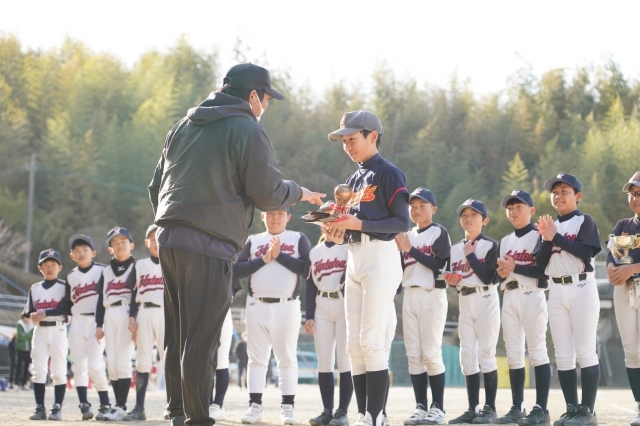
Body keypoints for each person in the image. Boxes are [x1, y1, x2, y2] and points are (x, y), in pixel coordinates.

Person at [149, 62, 324, 426]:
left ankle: (177, 410)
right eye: (267, 98)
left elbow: (156, 187)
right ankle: (197, 418)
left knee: (178, 330)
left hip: (168, 238)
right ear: (252, 96)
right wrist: (299, 192)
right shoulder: (247, 128)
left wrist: (174, 223)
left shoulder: (181, 126)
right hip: (209, 242)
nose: (266, 106)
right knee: (203, 336)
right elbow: (268, 194)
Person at [323, 110, 410, 426]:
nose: (347, 146)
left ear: (373, 136)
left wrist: (356, 224)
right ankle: (364, 414)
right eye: (344, 141)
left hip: (381, 256)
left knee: (371, 341)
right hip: (355, 256)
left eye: (352, 139)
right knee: (353, 345)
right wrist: (336, 231)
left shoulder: (389, 173)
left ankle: (375, 417)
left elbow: (402, 222)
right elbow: (348, 225)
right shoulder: (352, 180)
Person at [234, 208, 311, 425]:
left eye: (280, 213)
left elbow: (307, 270)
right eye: (270, 213)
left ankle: (287, 408)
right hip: (256, 304)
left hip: (286, 305)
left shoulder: (298, 238)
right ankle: (254, 406)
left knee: (286, 358)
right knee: (256, 359)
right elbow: (237, 270)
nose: (275, 217)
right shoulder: (253, 240)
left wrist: (280, 256)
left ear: (288, 217)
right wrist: (265, 259)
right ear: (262, 216)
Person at [536, 173, 601, 426]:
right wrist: (546, 239)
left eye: (565, 191)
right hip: (556, 289)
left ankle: (588, 411)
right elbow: (541, 265)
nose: (558, 195)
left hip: (581, 286)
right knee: (562, 354)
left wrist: (555, 237)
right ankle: (572, 409)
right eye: (555, 192)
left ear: (578, 196)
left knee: (585, 350)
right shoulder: (550, 226)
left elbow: (586, 252)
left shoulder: (584, 221)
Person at [494, 190, 551, 426]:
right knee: (513, 353)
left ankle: (541, 409)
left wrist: (514, 267)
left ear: (531, 210)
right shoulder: (505, 241)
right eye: (510, 208)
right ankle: (517, 407)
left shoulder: (540, 237)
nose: (513, 211)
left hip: (531, 294)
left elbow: (542, 272)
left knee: (537, 350)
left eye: (519, 207)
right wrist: (501, 272)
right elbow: (501, 274)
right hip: (509, 296)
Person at [395, 188, 450, 425]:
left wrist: (410, 249)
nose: (417, 210)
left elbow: (440, 266)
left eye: (422, 206)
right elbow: (400, 269)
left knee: (430, 351)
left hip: (431, 294)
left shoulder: (438, 232)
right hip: (410, 295)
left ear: (433, 209)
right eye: (413, 206)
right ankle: (421, 407)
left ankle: (438, 408)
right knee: (413, 354)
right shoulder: (406, 235)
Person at [445, 199, 500, 424]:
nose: (468, 219)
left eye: (473, 215)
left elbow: (489, 277)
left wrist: (470, 255)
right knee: (467, 354)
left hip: (486, 298)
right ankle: (472, 408)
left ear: (484, 220)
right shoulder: (454, 248)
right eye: (464, 215)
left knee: (486, 352)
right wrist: (451, 281)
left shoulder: (491, 245)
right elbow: (456, 278)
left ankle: (490, 408)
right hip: (465, 299)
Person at [305, 203, 352, 426]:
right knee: (324, 361)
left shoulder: (349, 247)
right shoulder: (315, 251)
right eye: (324, 220)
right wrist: (309, 315)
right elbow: (310, 285)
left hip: (344, 304)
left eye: (332, 219)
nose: (328, 224)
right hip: (322, 304)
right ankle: (327, 411)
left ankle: (342, 411)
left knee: (344, 360)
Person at [66, 234, 115, 420]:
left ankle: (105, 404)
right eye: (77, 251)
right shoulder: (70, 276)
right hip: (77, 321)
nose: (81, 253)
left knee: (95, 365)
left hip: (97, 321)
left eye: (85, 250)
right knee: (79, 365)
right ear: (72, 256)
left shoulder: (103, 271)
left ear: (93, 252)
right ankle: (84, 405)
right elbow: (66, 303)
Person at [606, 171, 640, 426]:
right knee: (631, 350)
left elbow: (629, 265)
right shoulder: (623, 225)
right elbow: (614, 254)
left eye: (639, 193)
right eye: (632, 193)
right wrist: (610, 268)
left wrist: (633, 269)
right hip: (624, 290)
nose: (635, 198)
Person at [23, 249, 71, 421]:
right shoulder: (35, 288)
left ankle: (57, 407)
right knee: (38, 369)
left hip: (58, 329)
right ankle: (40, 407)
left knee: (58, 370)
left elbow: (66, 308)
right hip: (40, 331)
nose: (50, 268)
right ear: (40, 268)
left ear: (60, 267)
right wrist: (33, 316)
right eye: (46, 265)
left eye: (53, 265)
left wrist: (45, 312)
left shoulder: (64, 286)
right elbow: (29, 311)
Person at [123, 224, 165, 421]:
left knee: (169, 360)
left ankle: (174, 406)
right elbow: (132, 293)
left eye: (160, 238)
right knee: (143, 360)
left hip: (166, 313)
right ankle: (139, 407)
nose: (157, 242)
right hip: (144, 312)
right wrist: (131, 316)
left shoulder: (172, 262)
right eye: (153, 239)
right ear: (146, 243)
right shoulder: (139, 265)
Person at [95, 227, 137, 420]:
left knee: (123, 360)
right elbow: (100, 300)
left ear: (131, 245)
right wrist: (98, 324)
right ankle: (117, 405)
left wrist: (135, 319)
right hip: (109, 313)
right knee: (111, 362)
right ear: (110, 248)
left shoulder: (137, 267)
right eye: (115, 242)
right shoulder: (105, 271)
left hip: (127, 313)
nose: (120, 245)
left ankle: (121, 406)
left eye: (123, 241)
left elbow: (138, 296)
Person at [209, 309, 234, 420]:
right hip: (200, 312)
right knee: (205, 363)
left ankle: (217, 405)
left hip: (221, 311)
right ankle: (207, 403)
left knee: (221, 360)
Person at [15, 316, 33, 390]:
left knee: (27, 367)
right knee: (19, 367)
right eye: (25, 317)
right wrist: (28, 336)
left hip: (29, 349)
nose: (27, 319)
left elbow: (32, 336)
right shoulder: (20, 324)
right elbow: (20, 336)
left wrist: (25, 335)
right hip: (21, 349)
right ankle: (16, 383)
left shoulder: (32, 325)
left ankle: (24, 383)